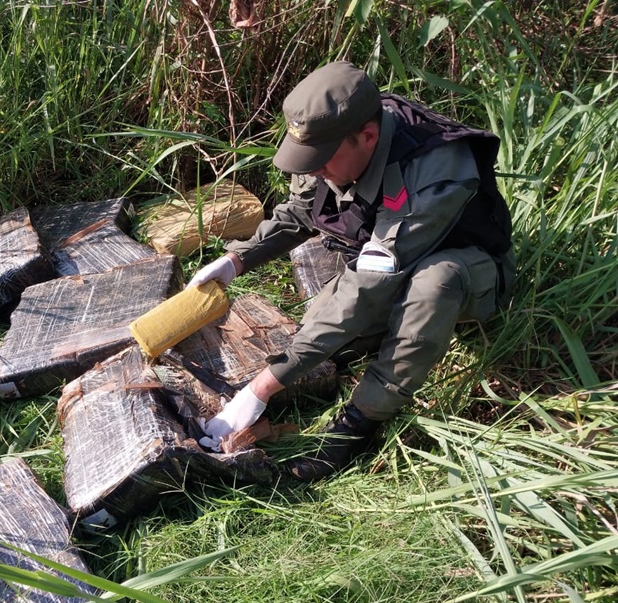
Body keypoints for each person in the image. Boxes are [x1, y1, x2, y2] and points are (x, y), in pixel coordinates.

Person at [190, 61, 515, 481]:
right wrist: (238, 259)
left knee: (434, 281)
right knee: (321, 340)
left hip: (473, 274)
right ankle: (322, 372)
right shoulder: (334, 142)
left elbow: (367, 286)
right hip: (388, 261)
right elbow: (301, 209)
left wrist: (262, 386)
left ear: (368, 137)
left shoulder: (434, 170)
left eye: (320, 161)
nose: (312, 170)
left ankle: (358, 424)